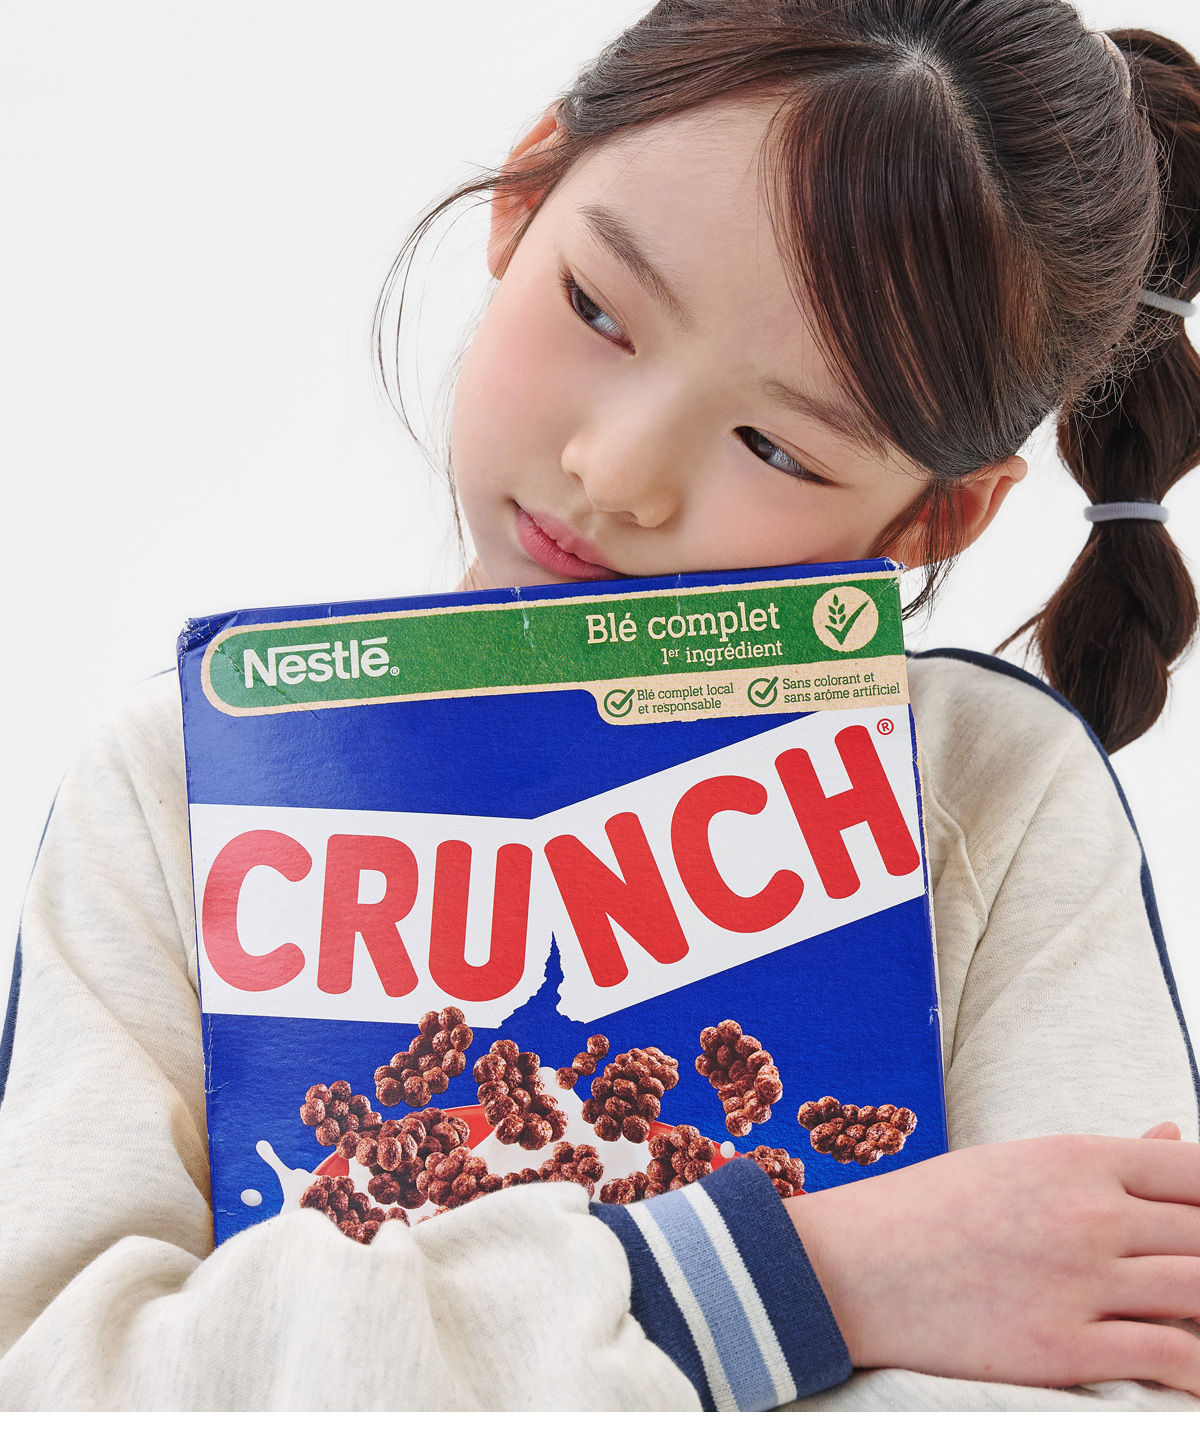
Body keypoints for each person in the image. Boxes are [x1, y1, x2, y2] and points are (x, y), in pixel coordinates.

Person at [1, 0, 1199, 1411]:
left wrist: (401, 1345)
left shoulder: (989, 794)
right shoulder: (182, 786)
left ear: (938, 517)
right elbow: (66, 1380)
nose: (617, 471)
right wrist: (806, 1278)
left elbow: (1121, 1382)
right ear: (525, 193)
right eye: (600, 311)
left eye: (777, 446)